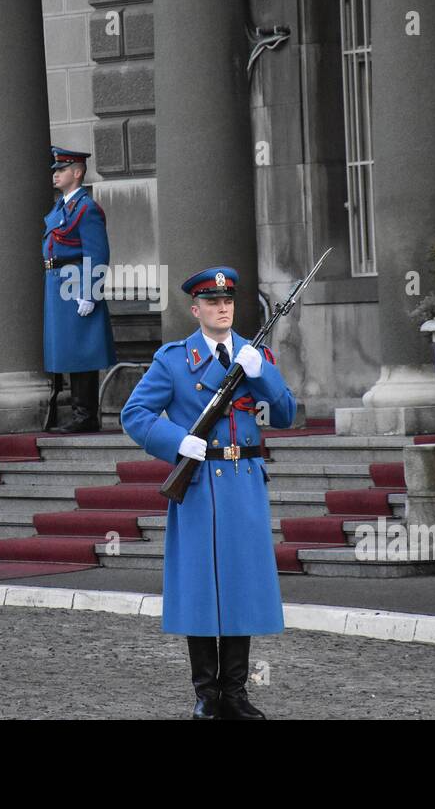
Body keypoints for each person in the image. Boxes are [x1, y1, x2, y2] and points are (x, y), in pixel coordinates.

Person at [120, 267, 296, 719]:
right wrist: (176, 440)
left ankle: (235, 693)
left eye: (228, 301)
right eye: (212, 302)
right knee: (200, 587)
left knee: (242, 586)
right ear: (195, 309)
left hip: (243, 482)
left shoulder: (255, 356)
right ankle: (207, 694)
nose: (223, 308)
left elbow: (286, 415)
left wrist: (266, 376)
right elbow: (135, 413)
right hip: (198, 483)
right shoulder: (174, 360)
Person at [43, 146, 116, 433]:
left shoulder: (87, 208)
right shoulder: (62, 207)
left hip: (74, 285)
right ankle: (76, 413)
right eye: (55, 171)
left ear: (77, 172)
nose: (56, 175)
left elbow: (97, 253)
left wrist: (90, 292)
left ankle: (85, 416)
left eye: (61, 170)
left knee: (81, 350)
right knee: (66, 349)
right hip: (58, 283)